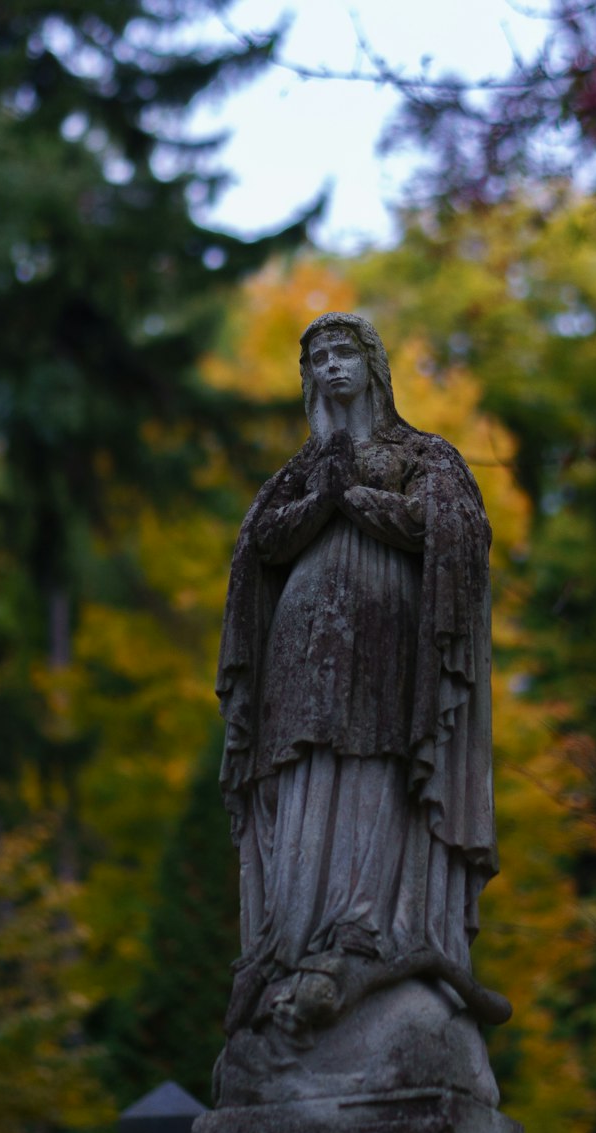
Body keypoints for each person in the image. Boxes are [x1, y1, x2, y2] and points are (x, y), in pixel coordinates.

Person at [217, 313, 497, 1034]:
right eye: (318, 358)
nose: (331, 367)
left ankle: (362, 929)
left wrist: (354, 499)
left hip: (384, 651)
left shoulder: (421, 453)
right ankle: (290, 940)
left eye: (345, 353)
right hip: (298, 651)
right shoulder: (296, 474)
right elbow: (262, 546)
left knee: (372, 771)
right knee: (300, 774)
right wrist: (322, 499)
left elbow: (451, 530)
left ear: (373, 366)